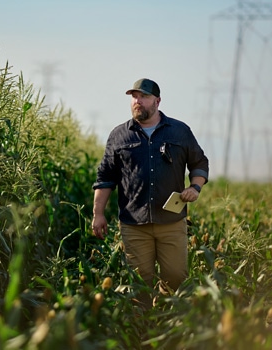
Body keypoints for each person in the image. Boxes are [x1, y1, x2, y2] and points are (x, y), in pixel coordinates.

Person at [92, 78, 209, 307]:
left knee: (176, 280)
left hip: (172, 223)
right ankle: (141, 331)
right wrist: (98, 213)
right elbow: (105, 178)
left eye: (143, 97)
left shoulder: (179, 131)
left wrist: (195, 187)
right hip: (134, 226)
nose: (138, 101)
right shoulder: (119, 135)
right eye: (134, 97)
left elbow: (199, 162)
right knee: (138, 285)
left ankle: (170, 325)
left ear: (157, 101)